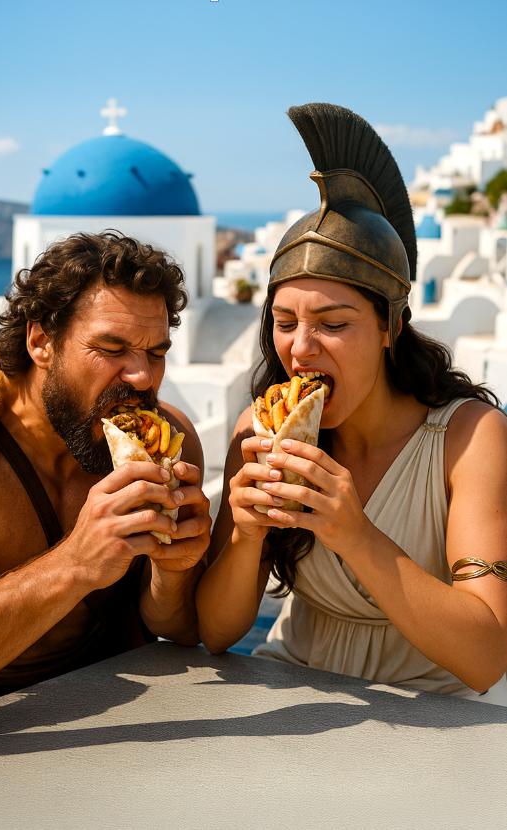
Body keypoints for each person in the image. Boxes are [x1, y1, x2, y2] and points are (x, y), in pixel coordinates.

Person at [196, 103, 507, 704]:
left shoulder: (471, 438)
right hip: (291, 692)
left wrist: (354, 533)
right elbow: (217, 633)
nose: (301, 348)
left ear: (390, 326)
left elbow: (487, 656)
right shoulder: (257, 430)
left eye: (333, 324)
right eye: (284, 323)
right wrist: (246, 536)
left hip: (436, 712)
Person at [0, 230, 211, 718]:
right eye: (112, 347)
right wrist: (75, 565)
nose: (142, 377)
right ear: (40, 340)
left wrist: (174, 569)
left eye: (156, 352)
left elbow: (181, 629)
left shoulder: (169, 438)